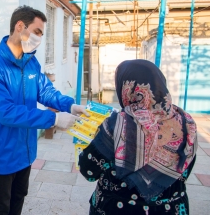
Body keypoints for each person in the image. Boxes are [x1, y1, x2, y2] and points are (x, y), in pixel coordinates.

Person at [0, 5, 88, 215]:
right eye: (37, 32)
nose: (39, 38)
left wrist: (70, 106)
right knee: (0, 205)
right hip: (3, 149)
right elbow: (6, 112)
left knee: (19, 197)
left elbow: (45, 92)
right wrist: (53, 120)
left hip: (25, 148)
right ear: (20, 26)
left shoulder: (31, 62)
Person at [78, 59, 197, 215]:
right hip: (172, 209)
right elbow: (185, 169)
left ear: (126, 88)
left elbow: (89, 171)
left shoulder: (117, 124)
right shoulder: (186, 121)